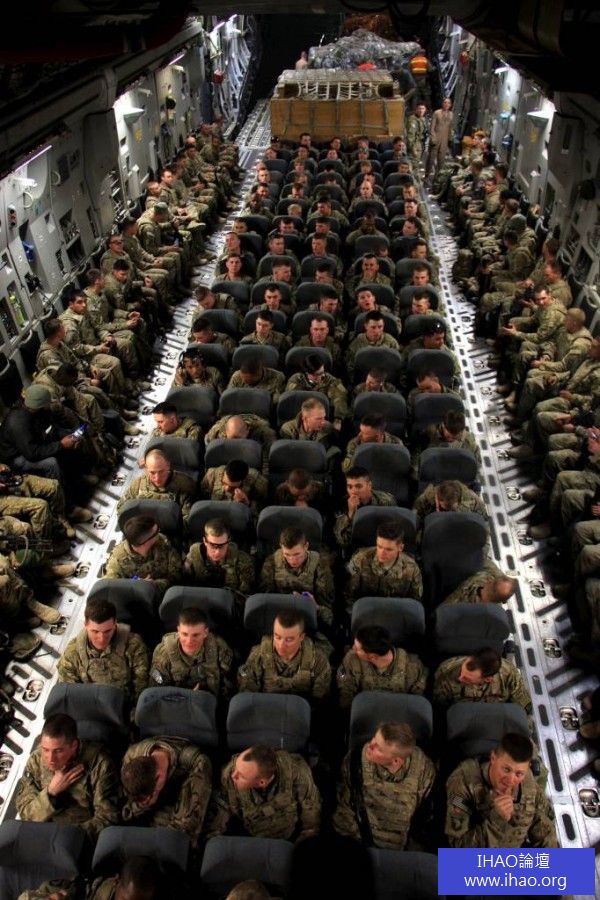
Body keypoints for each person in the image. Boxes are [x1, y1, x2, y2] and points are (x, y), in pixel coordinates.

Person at [332, 722, 435, 849]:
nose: (370, 746)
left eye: (379, 749)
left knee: (449, 859)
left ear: (396, 761)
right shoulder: (355, 762)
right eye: (374, 739)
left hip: (407, 849)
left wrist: (410, 851)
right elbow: (343, 813)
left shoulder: (423, 769)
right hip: (361, 846)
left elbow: (430, 815)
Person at [15, 713, 119, 839]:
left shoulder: (99, 764)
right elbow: (26, 814)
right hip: (41, 834)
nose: (50, 759)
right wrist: (51, 793)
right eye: (45, 749)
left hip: (77, 837)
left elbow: (108, 818)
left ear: (74, 746)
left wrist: (65, 837)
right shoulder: (36, 760)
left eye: (58, 751)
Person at [445, 732, 558, 847]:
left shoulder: (527, 781)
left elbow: (543, 823)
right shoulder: (463, 782)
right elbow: (457, 849)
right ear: (493, 758)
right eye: (506, 770)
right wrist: (496, 820)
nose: (510, 780)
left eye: (519, 774)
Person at [207, 744, 321, 841]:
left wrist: (302, 845)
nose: (233, 775)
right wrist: (212, 839)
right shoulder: (228, 775)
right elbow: (220, 807)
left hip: (288, 837)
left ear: (261, 782)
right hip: (249, 837)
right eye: (236, 768)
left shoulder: (296, 772)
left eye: (241, 776)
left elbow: (311, 809)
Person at [57, 597, 149, 709]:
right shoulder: (72, 653)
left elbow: (142, 686)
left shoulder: (133, 645)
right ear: (85, 625)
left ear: (115, 623)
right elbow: (69, 692)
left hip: (125, 706)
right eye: (95, 631)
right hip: (90, 708)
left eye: (107, 631)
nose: (101, 638)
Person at [121, 736, 212, 843]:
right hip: (157, 813)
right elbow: (128, 811)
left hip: (182, 804)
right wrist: (143, 805)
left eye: (152, 793)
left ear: (159, 777)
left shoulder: (196, 764)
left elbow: (190, 822)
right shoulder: (131, 757)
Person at [238, 609, 331, 700]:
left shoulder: (318, 661)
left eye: (289, 640)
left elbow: (320, 701)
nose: (281, 645)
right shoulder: (258, 656)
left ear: (301, 637)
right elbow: (248, 697)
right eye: (277, 637)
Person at [259, 526, 334, 631]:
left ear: (306, 546)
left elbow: (328, 613)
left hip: (308, 617)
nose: (292, 560)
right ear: (281, 547)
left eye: (297, 554)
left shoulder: (320, 564)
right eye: (287, 554)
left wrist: (314, 606)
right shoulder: (272, 562)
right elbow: (266, 600)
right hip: (279, 617)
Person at [149, 606, 233, 697]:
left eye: (195, 635)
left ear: (205, 633)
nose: (189, 641)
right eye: (184, 634)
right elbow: (156, 692)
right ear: (178, 631)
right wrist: (185, 697)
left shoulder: (219, 648)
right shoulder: (164, 653)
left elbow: (229, 686)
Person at [336, 626, 427, 708]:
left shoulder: (412, 667)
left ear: (372, 657)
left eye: (357, 648)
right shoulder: (351, 659)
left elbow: (418, 703)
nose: (352, 648)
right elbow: (345, 693)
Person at [345, 521, 423, 608]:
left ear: (400, 547)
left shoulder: (412, 568)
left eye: (388, 549)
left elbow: (414, 604)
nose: (382, 553)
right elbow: (348, 595)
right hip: (364, 611)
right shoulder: (359, 560)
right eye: (379, 546)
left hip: (396, 612)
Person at [103, 515, 182, 598]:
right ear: (145, 543)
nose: (159, 533)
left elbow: (177, 575)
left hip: (167, 594)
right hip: (138, 599)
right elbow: (112, 591)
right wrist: (136, 585)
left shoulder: (163, 542)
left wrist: (154, 585)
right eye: (155, 533)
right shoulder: (117, 560)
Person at [433, 647, 532, 711]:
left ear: (488, 679)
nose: (460, 678)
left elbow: (523, 707)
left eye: (467, 679)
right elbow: (440, 708)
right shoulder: (446, 672)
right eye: (462, 671)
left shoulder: (509, 674)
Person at [184, 518, 255, 604]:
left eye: (222, 546)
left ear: (228, 541)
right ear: (205, 541)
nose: (217, 551)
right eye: (212, 545)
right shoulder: (194, 557)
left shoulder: (242, 561)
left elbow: (247, 599)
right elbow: (184, 589)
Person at [117, 448, 197, 519]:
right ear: (146, 468)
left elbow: (189, 521)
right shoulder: (137, 485)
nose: (157, 478)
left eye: (161, 472)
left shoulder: (185, 485)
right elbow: (122, 509)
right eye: (152, 473)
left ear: (168, 466)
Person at [334, 466, 395, 548]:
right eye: (350, 487)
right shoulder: (342, 504)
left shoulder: (386, 501)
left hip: (381, 544)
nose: (353, 491)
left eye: (358, 486)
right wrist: (350, 514)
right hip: (357, 547)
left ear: (369, 485)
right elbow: (342, 541)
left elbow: (394, 532)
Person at [425, 97, 453, 182]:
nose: (446, 104)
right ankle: (426, 176)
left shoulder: (451, 114)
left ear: (450, 105)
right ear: (442, 103)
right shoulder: (437, 113)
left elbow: (450, 128)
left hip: (444, 140)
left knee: (441, 160)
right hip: (436, 138)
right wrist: (432, 138)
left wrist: (450, 139)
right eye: (445, 102)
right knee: (431, 158)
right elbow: (432, 127)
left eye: (448, 103)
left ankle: (437, 177)